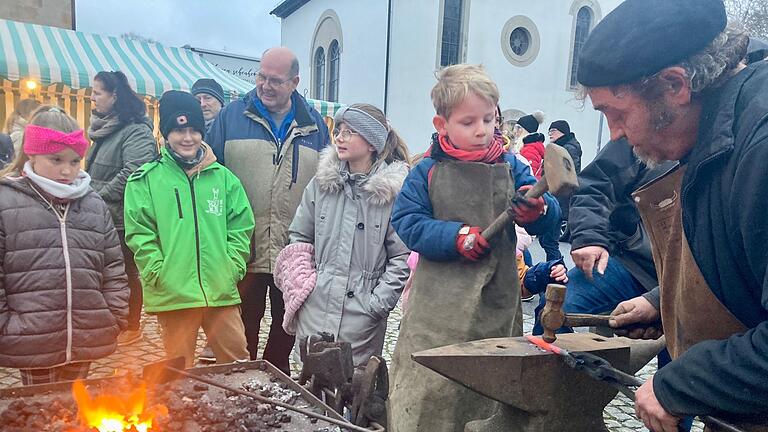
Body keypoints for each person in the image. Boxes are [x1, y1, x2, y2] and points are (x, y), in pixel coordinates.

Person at [578, 0, 768, 430]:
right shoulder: (715, 134)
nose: (615, 134)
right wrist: (663, 302)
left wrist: (680, 385)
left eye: (617, 113)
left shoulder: (760, 148)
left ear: (675, 85)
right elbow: (744, 266)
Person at [387, 64, 560, 432]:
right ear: (441, 124)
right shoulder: (427, 170)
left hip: (496, 301)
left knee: (490, 386)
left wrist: (538, 210)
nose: (482, 130)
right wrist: (454, 237)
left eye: (488, 118)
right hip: (436, 307)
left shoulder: (513, 166)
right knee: (428, 387)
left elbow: (549, 216)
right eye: (469, 122)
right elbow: (406, 221)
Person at [207, 47, 330, 374]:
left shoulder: (315, 127)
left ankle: (276, 378)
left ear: (294, 82)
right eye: (261, 76)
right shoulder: (230, 118)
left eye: (275, 80)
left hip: (293, 248)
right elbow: (207, 176)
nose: (265, 85)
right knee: (242, 321)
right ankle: (241, 381)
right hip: (242, 246)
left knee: (287, 322)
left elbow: (326, 185)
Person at [124, 90, 254, 368]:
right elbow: (140, 233)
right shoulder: (145, 180)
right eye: (179, 130)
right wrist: (157, 271)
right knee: (178, 370)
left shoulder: (224, 179)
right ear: (166, 134)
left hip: (220, 292)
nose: (187, 138)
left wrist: (232, 267)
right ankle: (182, 413)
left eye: (194, 130)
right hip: (175, 293)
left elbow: (241, 226)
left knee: (238, 363)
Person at [0, 106, 128, 385]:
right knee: (42, 414)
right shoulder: (6, 201)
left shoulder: (93, 203)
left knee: (72, 411)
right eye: (56, 159)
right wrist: (5, 325)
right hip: (33, 337)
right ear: (32, 153)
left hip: (86, 332)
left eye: (74, 161)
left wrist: (113, 315)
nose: (66, 170)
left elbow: (113, 267)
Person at [274, 103, 410, 366]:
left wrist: (377, 303)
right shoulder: (321, 185)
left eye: (350, 132)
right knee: (308, 389)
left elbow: (402, 256)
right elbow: (300, 237)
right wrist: (306, 286)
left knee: (354, 391)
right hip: (316, 307)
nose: (339, 137)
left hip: (361, 318)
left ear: (371, 143)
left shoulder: (391, 195)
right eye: (339, 130)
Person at [85, 71, 157, 347]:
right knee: (106, 273)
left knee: (125, 273)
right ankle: (111, 321)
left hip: (120, 218)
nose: (93, 98)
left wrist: (97, 197)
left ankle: (131, 325)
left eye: (97, 93)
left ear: (115, 96)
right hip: (101, 215)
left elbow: (132, 173)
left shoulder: (135, 130)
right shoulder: (107, 128)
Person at [515, 111, 545, 179]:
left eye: (519, 128)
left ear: (525, 130)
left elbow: (529, 176)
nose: (516, 131)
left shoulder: (529, 149)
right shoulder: (529, 147)